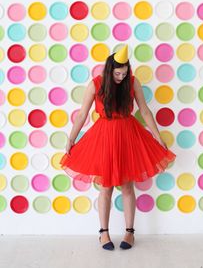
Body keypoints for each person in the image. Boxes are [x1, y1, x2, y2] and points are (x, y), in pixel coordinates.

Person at [60, 44, 176, 251]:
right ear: (109, 70)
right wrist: (71, 138)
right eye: (118, 73)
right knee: (106, 187)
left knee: (128, 186)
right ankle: (103, 233)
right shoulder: (96, 84)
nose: (121, 77)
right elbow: (82, 114)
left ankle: (129, 232)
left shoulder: (132, 82)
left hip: (128, 136)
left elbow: (145, 111)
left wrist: (158, 137)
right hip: (104, 137)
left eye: (124, 73)